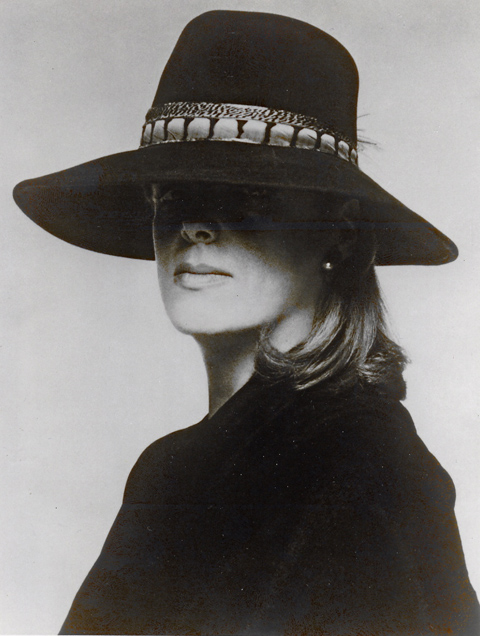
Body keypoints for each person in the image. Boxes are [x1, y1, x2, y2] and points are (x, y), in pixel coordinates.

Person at [13, 10, 479, 636]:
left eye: (249, 196)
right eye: (171, 196)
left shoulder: (362, 465)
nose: (195, 226)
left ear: (340, 234)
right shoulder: (170, 468)